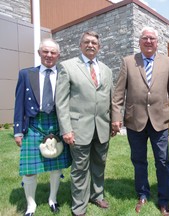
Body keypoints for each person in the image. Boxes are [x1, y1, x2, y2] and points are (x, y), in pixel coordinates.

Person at [111, 26, 169, 216]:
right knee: (139, 160)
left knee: (163, 161)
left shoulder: (167, 62)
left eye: (152, 39)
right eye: (145, 38)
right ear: (140, 41)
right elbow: (118, 94)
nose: (148, 41)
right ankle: (142, 194)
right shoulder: (128, 61)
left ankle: (164, 199)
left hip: (160, 121)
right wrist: (116, 117)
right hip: (135, 121)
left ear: (157, 42)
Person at [55, 31, 113, 216]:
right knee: (80, 168)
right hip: (78, 128)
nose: (90, 45)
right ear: (80, 45)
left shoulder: (107, 70)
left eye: (94, 42)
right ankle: (79, 206)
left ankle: (97, 195)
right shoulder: (67, 66)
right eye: (86, 42)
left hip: (102, 127)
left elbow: (110, 98)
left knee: (99, 164)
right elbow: (61, 101)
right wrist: (66, 129)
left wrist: (113, 122)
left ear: (99, 46)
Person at [13, 38, 72, 216]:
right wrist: (17, 130)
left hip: (56, 122)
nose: (49, 55)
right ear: (39, 53)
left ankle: (52, 199)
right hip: (34, 124)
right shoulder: (26, 74)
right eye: (45, 51)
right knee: (29, 169)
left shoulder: (64, 73)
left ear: (58, 55)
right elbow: (19, 104)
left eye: (53, 52)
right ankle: (31, 206)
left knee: (55, 166)